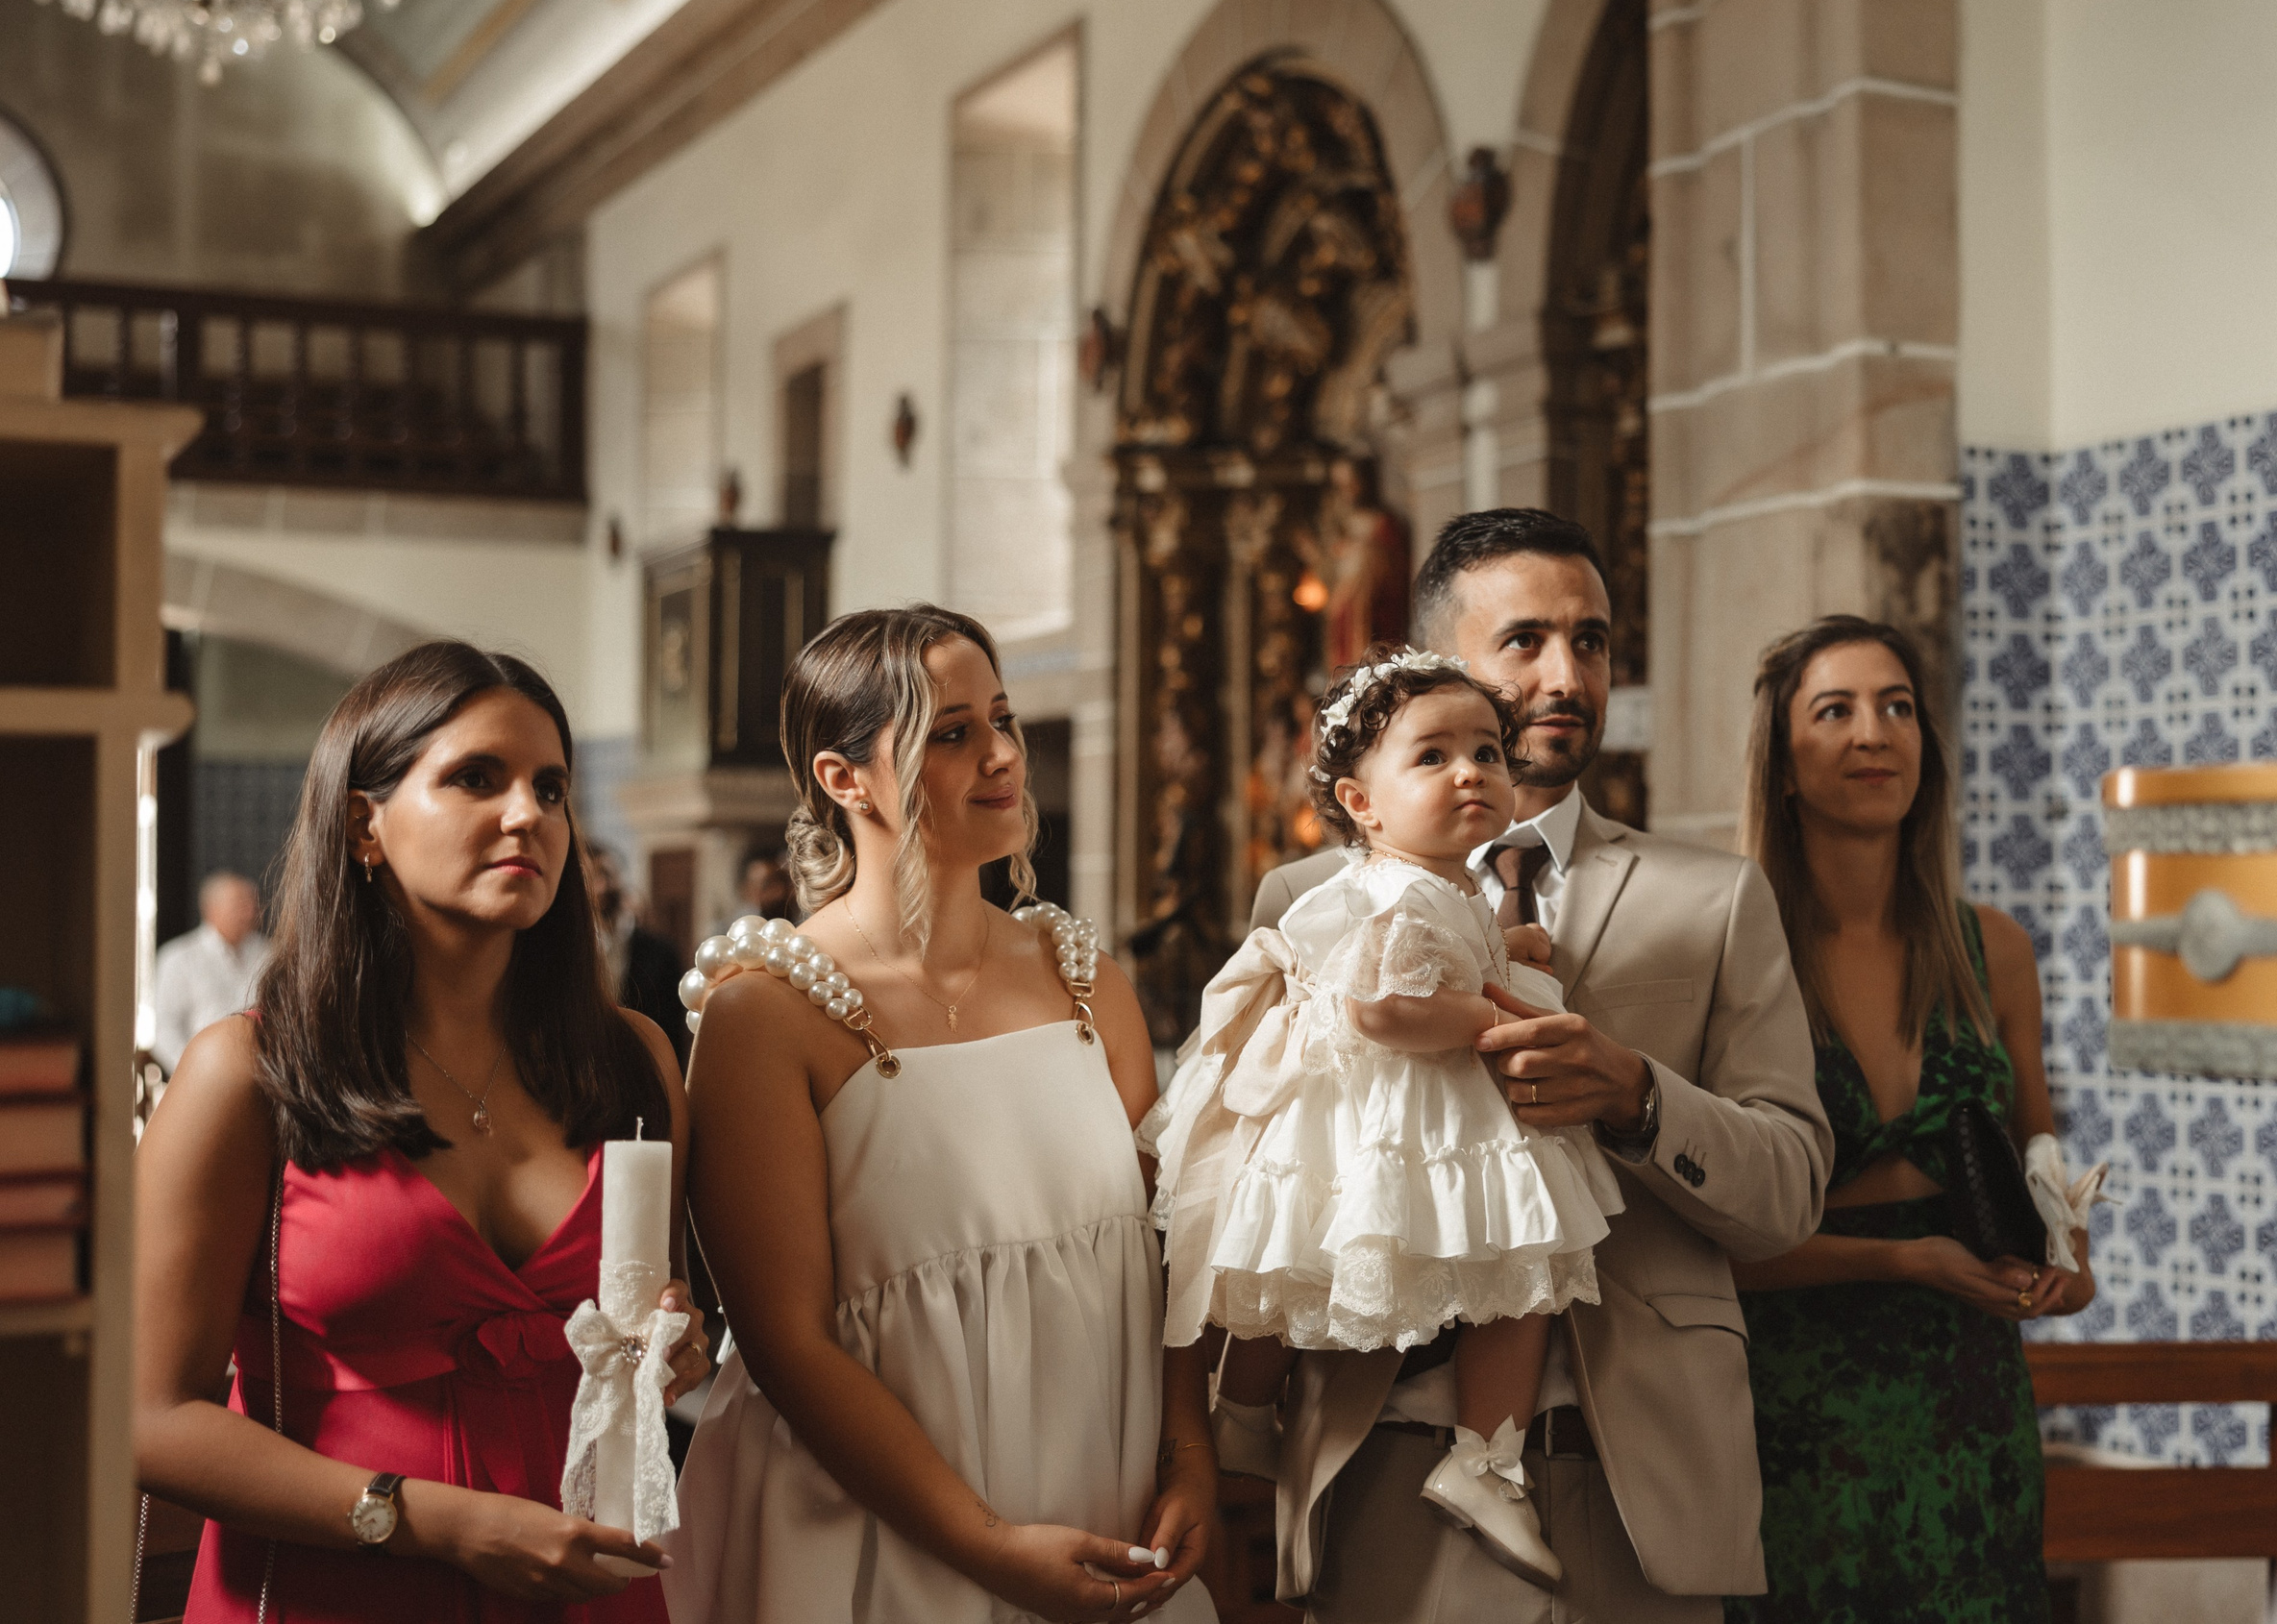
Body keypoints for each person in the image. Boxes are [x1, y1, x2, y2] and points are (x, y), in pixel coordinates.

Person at [1247, 508, 1831, 1623]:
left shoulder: (1715, 900)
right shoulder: (1307, 902)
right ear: (1434, 665)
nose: (1566, 677)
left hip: (1641, 1498)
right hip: (1383, 1471)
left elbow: (1790, 1193)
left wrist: (1639, 1100)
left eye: (1591, 642)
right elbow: (1261, 1161)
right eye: (1524, 641)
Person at [133, 642, 715, 1624]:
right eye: (477, 778)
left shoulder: (632, 1062)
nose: (528, 814)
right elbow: (146, 1417)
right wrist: (434, 1522)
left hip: (584, 1588)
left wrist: (675, 1344)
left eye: (551, 788)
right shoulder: (247, 1072)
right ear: (365, 822)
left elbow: (653, 1330)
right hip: (335, 1588)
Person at [667, 603, 1218, 1624]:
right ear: (843, 779)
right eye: (952, 733)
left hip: (1104, 1497)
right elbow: (787, 1344)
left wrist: (1188, 1453)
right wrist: (990, 1546)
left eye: (1002, 721)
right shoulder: (767, 1013)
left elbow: (1167, 1253)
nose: (1002, 755)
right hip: (886, 1530)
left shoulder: (1087, 981)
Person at [1152, 644, 1625, 1589]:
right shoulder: (1409, 892)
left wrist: (1504, 944)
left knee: (1297, 1267)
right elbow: (1383, 1006)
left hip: (1356, 1116)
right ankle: (1485, 1457)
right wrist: (1489, 1012)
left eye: (1487, 752)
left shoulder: (1419, 884)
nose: (1470, 772)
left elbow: (1433, 951)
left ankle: (1243, 1409)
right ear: (1360, 802)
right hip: (1409, 1111)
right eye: (1433, 756)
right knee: (1519, 1271)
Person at [1725, 615, 2095, 1623]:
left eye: (1896, 707)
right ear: (1782, 765)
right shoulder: (1732, 952)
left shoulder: (1993, 949)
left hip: (1969, 1402)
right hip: (1794, 1406)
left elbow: (2041, 1161)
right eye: (1834, 710)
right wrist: (1902, 1259)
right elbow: (1702, 1243)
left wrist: (2062, 1257)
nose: (1873, 732)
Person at [584, 841, 693, 1071]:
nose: (602, 887)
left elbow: (673, 1030)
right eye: (592, 878)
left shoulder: (661, 951)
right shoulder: (575, 949)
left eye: (606, 875)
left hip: (644, 1068)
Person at [154, 870, 269, 1070]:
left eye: (253, 904)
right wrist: (195, 1072)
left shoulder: (269, 953)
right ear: (212, 910)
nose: (250, 912)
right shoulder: (178, 958)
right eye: (240, 905)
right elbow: (164, 1029)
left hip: (262, 1072)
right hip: (201, 1072)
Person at [735, 846, 794, 923]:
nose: (780, 891)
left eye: (783, 880)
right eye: (768, 885)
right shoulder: (728, 929)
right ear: (747, 891)